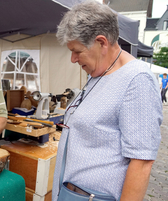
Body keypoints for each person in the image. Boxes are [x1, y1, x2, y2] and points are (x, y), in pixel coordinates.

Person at [52, 1, 162, 201]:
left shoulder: (137, 79)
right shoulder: (98, 73)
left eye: (77, 51)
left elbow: (142, 162)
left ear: (101, 42)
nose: (73, 59)